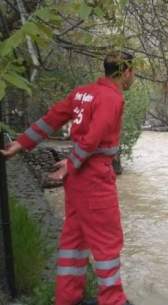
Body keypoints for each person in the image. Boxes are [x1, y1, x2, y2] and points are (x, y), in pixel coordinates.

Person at [0, 51, 136, 305]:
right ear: (127, 72)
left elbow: (52, 118)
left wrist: (20, 143)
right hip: (95, 180)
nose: (133, 78)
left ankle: (67, 298)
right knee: (108, 243)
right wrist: (71, 164)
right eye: (133, 73)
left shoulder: (82, 92)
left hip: (77, 183)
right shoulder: (112, 98)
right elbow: (94, 137)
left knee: (74, 241)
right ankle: (113, 301)